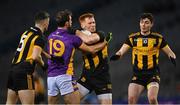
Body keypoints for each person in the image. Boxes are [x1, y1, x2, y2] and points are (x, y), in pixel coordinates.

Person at [110, 13, 176, 104]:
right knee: (131, 99)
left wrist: (172, 57)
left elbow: (170, 52)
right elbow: (121, 51)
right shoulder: (132, 38)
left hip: (152, 74)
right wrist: (117, 55)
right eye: (142, 22)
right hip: (138, 75)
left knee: (152, 98)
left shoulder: (158, 39)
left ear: (151, 24)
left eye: (146, 22)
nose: (143, 25)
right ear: (139, 23)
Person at [47, 10, 107, 104]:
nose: (71, 22)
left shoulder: (50, 36)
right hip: (65, 75)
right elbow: (92, 50)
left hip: (51, 77)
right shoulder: (72, 38)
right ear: (67, 23)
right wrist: (105, 42)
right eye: (70, 20)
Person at [6, 11, 50, 104]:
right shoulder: (40, 37)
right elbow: (35, 56)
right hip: (24, 72)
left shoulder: (27, 32)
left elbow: (31, 46)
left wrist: (46, 54)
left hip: (13, 70)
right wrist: (44, 65)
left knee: (9, 103)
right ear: (45, 22)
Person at [76, 13, 112, 105]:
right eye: (90, 23)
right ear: (82, 25)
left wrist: (76, 32)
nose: (93, 25)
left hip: (102, 77)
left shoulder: (100, 34)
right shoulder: (79, 38)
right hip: (87, 76)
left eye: (94, 22)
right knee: (70, 102)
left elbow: (90, 40)